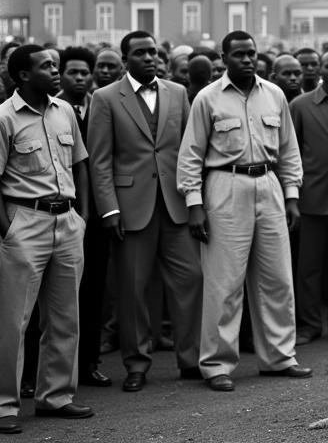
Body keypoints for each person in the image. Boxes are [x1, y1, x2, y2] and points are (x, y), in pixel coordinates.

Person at [176, 32, 309, 391]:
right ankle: (217, 364)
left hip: (268, 183)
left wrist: (292, 195)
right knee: (224, 282)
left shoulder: (275, 94)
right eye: (239, 54)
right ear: (224, 58)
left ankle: (279, 357)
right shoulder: (208, 98)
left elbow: (289, 149)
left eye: (252, 53)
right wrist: (194, 205)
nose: (248, 59)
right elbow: (190, 156)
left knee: (277, 278)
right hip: (224, 184)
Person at [88, 31, 202, 391]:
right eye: (141, 53)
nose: (150, 57)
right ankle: (136, 363)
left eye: (154, 51)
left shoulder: (178, 92)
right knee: (133, 289)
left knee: (192, 279)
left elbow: (189, 151)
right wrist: (108, 210)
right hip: (129, 207)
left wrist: (195, 198)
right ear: (126, 60)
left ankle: (191, 359)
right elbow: (100, 160)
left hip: (175, 203)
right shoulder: (105, 98)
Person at [0, 45, 93, 430]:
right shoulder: (4, 118)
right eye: (47, 66)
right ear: (23, 75)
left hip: (67, 221)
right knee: (13, 320)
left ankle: (55, 396)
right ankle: (5, 405)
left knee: (64, 317)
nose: (56, 71)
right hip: (25, 221)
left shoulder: (65, 111)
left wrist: (82, 216)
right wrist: (8, 230)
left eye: (56, 64)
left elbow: (80, 164)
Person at [57, 47, 111, 388]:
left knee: (93, 292)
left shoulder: (101, 106)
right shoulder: (54, 109)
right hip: (60, 211)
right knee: (54, 299)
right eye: (72, 72)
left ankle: (89, 363)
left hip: (92, 215)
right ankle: (38, 370)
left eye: (84, 72)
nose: (80, 78)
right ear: (61, 74)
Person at [290, 50, 328, 344]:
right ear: (319, 70)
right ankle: (309, 324)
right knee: (309, 267)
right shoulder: (299, 106)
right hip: (311, 194)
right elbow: (291, 150)